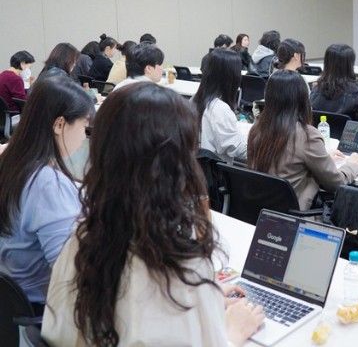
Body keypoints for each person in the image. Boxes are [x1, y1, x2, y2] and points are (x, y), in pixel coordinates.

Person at [42, 82, 264, 346]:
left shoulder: (82, 239)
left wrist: (207, 298)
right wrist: (232, 332)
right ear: (178, 166)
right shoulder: (180, 266)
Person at [0, 76, 93, 307]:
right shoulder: (47, 184)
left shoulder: (11, 160)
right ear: (59, 125)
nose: (84, 137)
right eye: (83, 127)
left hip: (11, 301)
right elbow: (71, 272)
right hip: (40, 308)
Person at [248, 70, 358, 210]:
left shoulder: (256, 129)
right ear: (303, 99)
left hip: (261, 212)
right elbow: (336, 183)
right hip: (295, 216)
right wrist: (352, 166)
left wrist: (325, 158)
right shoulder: (307, 135)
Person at [193, 49, 247, 163]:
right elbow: (237, 149)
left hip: (196, 168)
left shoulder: (194, 100)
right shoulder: (219, 109)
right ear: (231, 77)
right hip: (215, 172)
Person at [310, 44, 358, 123]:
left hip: (321, 130)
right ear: (350, 64)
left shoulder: (316, 89)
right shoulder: (357, 92)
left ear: (326, 63)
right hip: (346, 131)